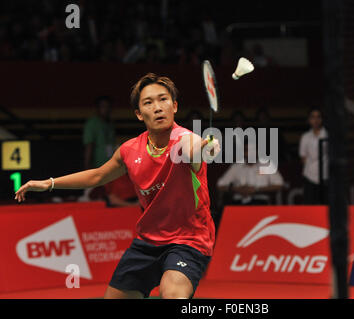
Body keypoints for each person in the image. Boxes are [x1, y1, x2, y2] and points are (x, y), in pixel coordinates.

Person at [14, 73, 220, 299]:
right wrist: (49, 183)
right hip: (147, 241)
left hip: (188, 240)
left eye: (163, 99)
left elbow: (193, 149)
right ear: (139, 114)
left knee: (172, 294)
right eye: (148, 103)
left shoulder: (185, 139)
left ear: (175, 106)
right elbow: (97, 176)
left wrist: (204, 148)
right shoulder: (130, 150)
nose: (158, 107)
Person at [217, 142, 284, 206]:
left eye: (253, 150)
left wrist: (256, 189)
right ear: (243, 152)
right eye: (247, 150)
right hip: (239, 202)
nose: (250, 153)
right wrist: (237, 189)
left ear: (258, 151)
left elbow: (279, 184)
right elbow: (220, 185)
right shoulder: (236, 166)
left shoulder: (267, 165)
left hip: (261, 202)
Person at [299, 107, 328, 204]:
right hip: (310, 177)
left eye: (318, 117)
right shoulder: (305, 137)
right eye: (313, 117)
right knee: (310, 207)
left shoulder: (328, 135)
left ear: (322, 119)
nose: (316, 120)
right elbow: (303, 157)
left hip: (325, 177)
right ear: (309, 120)